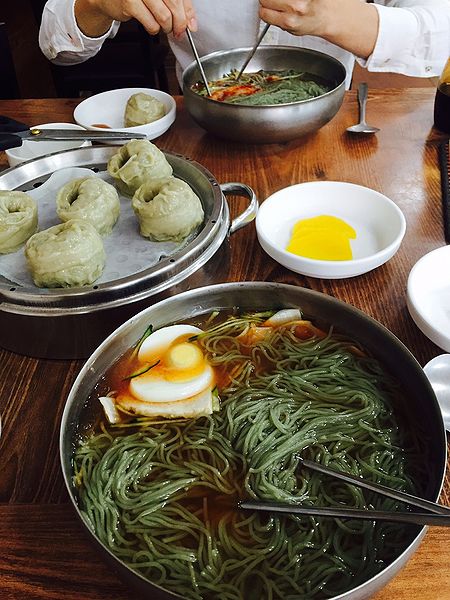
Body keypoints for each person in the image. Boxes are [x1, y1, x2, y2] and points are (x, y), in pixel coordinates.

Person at [39, 0, 450, 89]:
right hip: (200, 127)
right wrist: (97, 4)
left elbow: (438, 39)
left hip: (332, 126)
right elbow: (58, 46)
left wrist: (335, 17)